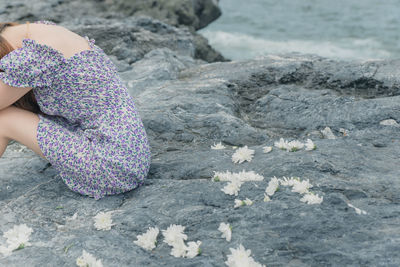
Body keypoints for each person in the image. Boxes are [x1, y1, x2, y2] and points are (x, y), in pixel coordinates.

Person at [0, 20, 151, 200]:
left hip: (111, 165)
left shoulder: (38, 53)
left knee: (4, 119)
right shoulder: (42, 31)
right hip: (128, 156)